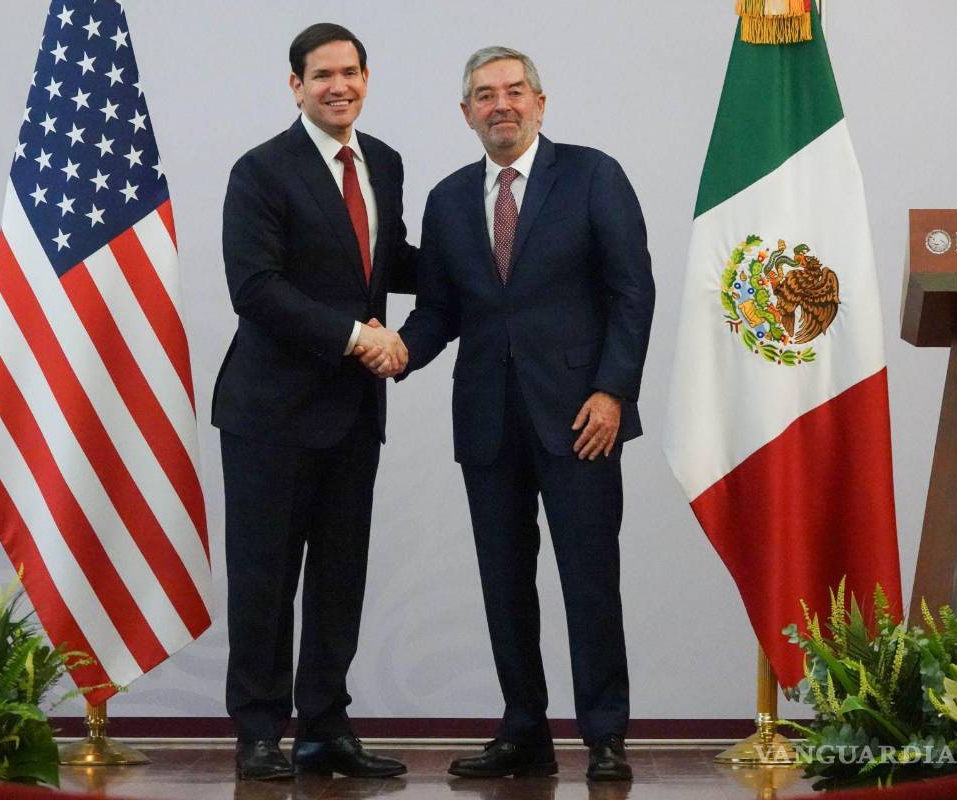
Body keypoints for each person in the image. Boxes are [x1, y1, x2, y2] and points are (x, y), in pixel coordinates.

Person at [362, 46, 654, 782]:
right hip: (489, 420)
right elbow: (439, 310)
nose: (502, 104)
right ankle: (524, 729)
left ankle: (606, 734)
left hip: (582, 418)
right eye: (486, 95)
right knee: (503, 582)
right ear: (466, 114)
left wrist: (613, 390)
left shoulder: (593, 176)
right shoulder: (451, 198)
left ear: (541, 102)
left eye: (515, 91)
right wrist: (398, 351)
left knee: (590, 578)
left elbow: (632, 292)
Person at [213, 22, 413, 781]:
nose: (340, 86)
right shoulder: (261, 170)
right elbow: (254, 287)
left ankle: (326, 728)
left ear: (367, 79)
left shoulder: (384, 162)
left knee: (340, 577)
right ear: (295, 85)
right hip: (270, 413)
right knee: (264, 578)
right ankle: (259, 731)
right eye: (323, 74)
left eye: (352, 72)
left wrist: (490, 263)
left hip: (354, 413)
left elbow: (389, 261)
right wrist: (354, 337)